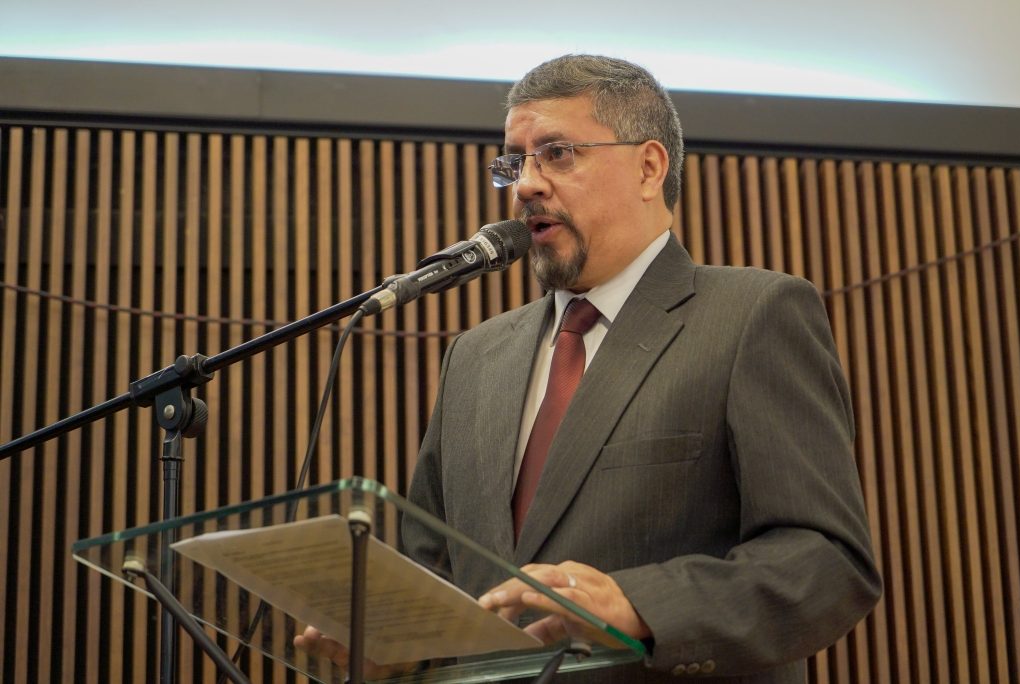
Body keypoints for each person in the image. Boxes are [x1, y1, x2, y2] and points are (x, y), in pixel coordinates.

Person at [298, 54, 881, 682]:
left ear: (649, 167)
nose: (525, 185)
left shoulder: (750, 316)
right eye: (514, 162)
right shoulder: (475, 357)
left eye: (558, 153)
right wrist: (391, 631)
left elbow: (826, 563)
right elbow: (439, 569)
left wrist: (640, 605)